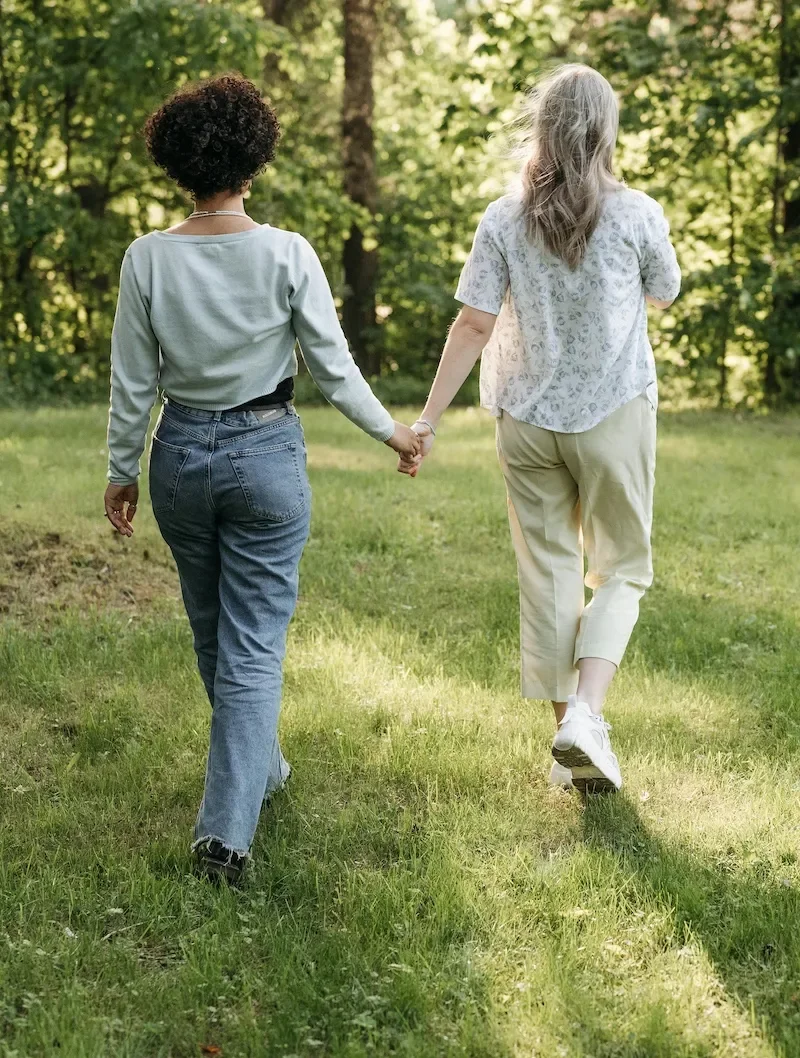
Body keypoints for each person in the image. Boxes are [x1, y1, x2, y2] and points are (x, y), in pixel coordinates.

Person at [103, 74, 421, 883]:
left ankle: (257, 772)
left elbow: (132, 381)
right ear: (254, 160)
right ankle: (225, 832)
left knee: (216, 632)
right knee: (250, 647)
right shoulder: (286, 252)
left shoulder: (147, 257)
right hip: (265, 453)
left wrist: (120, 471)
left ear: (178, 164)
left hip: (178, 458)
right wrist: (396, 432)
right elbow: (334, 369)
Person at [401, 64, 680, 795]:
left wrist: (428, 420)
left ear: (544, 129)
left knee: (550, 575)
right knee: (622, 568)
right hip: (613, 412)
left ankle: (571, 733)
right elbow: (665, 290)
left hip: (525, 421)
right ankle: (585, 716)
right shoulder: (637, 213)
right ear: (606, 130)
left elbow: (473, 323)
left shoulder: (502, 217)